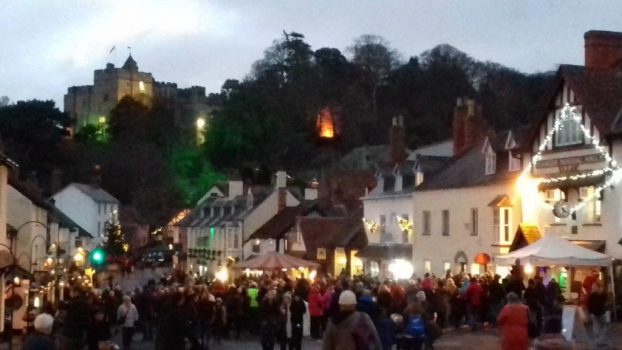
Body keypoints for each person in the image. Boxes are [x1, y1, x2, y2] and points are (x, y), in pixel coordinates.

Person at [587, 282, 608, 347]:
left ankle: (600, 341)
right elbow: (589, 304)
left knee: (601, 328)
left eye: (594, 287)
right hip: (596, 313)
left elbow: (605, 301)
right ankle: (599, 342)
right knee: (598, 328)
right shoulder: (593, 295)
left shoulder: (600, 294)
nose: (593, 288)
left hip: (600, 313)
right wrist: (590, 313)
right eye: (593, 287)